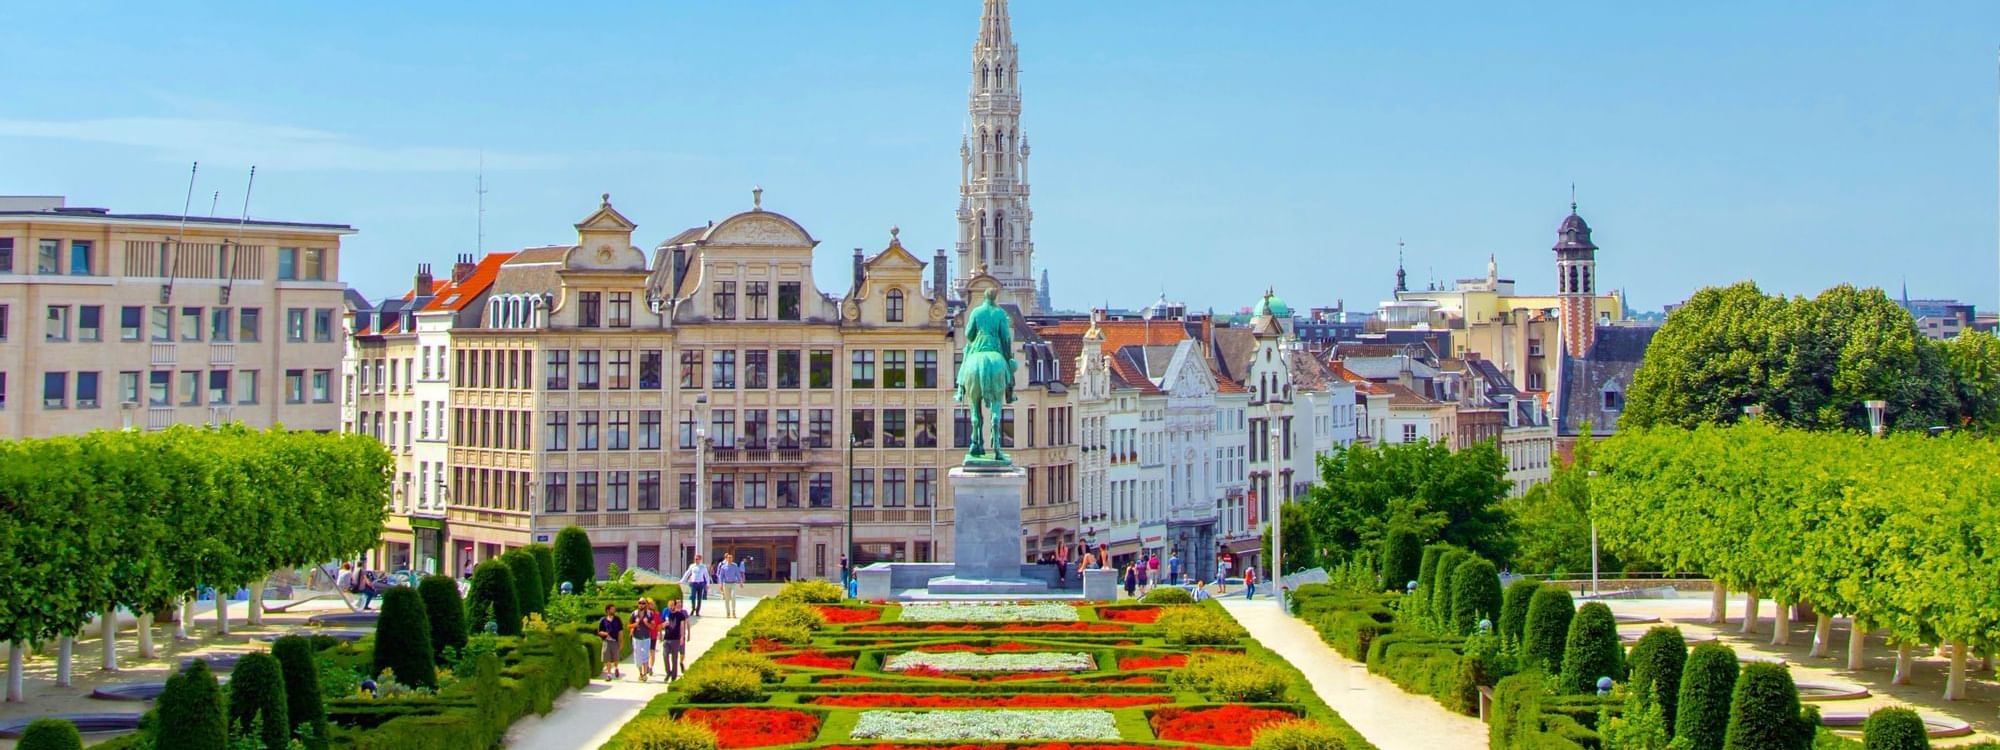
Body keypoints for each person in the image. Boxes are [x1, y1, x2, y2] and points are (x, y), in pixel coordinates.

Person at [629, 598, 659, 682]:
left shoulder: (649, 614)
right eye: (640, 603)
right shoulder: (634, 614)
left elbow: (653, 627)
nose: (641, 604)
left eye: (643, 603)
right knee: (637, 656)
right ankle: (640, 673)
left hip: (646, 638)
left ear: (646, 604)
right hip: (636, 638)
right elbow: (629, 626)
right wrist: (636, 624)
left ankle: (645, 674)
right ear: (638, 604)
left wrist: (646, 623)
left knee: (645, 655)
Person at [661, 597, 691, 680]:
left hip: (676, 639)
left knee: (674, 658)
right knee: (665, 655)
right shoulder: (666, 614)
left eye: (672, 605)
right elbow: (660, 626)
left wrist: (682, 637)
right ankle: (668, 672)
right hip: (667, 638)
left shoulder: (680, 615)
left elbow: (682, 626)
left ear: (675, 605)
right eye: (669, 605)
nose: (670, 607)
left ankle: (673, 676)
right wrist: (664, 624)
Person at [595, 604, 625, 680]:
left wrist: (621, 642)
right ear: (608, 610)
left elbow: (620, 631)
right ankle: (608, 674)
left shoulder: (617, 619)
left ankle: (616, 668)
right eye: (612, 609)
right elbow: (599, 631)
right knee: (607, 658)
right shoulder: (603, 620)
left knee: (616, 658)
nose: (614, 610)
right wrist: (604, 633)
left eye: (614, 609)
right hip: (606, 641)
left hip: (615, 641)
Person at [716, 553, 745, 618]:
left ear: (732, 559)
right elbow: (721, 576)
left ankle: (733, 611)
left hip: (733, 584)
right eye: (728, 558)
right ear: (726, 559)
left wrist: (741, 582)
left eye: (731, 558)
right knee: (727, 599)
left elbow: (738, 574)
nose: (729, 559)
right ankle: (728, 612)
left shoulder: (735, 566)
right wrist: (720, 584)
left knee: (733, 597)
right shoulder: (723, 567)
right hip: (726, 584)